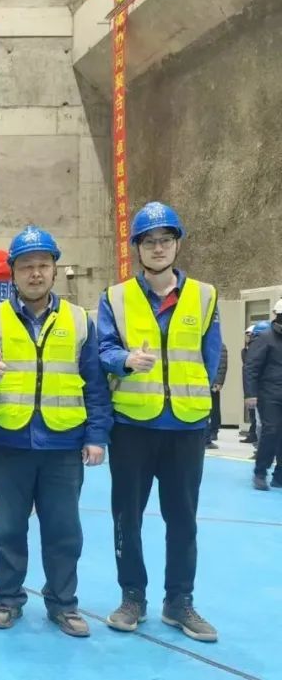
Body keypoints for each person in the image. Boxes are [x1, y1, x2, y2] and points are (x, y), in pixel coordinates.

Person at [0, 226, 110, 638]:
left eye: (43, 265)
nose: (35, 273)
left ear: (55, 270)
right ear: (12, 273)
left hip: (63, 445)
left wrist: (96, 436)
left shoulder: (79, 321)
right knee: (8, 528)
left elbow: (95, 384)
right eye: (26, 266)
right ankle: (7, 599)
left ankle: (63, 604)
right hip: (10, 442)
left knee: (63, 530)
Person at [98, 201, 221, 643]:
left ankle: (179, 601)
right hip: (132, 426)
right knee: (127, 517)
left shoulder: (204, 296)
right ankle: (132, 596)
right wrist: (125, 360)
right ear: (137, 248)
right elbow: (102, 352)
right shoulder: (115, 298)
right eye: (148, 241)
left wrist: (197, 404)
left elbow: (211, 357)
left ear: (177, 244)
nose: (157, 248)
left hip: (185, 426)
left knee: (183, 519)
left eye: (165, 239)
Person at [246, 307, 282, 491]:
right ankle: (260, 472)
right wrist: (250, 394)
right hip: (269, 394)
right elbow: (251, 366)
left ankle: (279, 475)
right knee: (271, 430)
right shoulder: (265, 338)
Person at [205, 343, 227, 449]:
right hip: (203, 380)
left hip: (213, 381)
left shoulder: (220, 345)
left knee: (214, 408)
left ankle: (214, 430)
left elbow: (222, 365)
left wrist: (218, 381)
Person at [240, 325, 259, 444]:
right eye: (246, 335)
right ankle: (253, 434)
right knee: (252, 412)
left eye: (249, 334)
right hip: (249, 383)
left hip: (259, 385)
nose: (247, 337)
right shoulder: (245, 350)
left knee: (259, 415)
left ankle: (256, 436)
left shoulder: (258, 349)